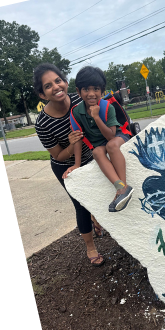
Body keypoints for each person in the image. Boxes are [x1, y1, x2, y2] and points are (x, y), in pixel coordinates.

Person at [33, 64, 106, 266]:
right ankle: (90, 246)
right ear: (42, 94)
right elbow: (57, 154)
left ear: (66, 82)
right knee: (81, 205)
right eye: (48, 86)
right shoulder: (42, 123)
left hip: (91, 155)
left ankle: (97, 216)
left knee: (102, 193)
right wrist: (72, 141)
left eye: (58, 81)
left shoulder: (79, 99)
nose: (56, 87)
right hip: (64, 165)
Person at [70, 66, 133, 213]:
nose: (91, 94)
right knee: (97, 152)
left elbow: (111, 136)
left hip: (117, 136)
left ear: (102, 91)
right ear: (78, 91)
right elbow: (77, 138)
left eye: (96, 89)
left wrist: (96, 117)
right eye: (86, 89)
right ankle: (120, 187)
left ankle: (123, 189)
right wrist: (77, 164)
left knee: (111, 145)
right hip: (100, 144)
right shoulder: (76, 112)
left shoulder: (106, 107)